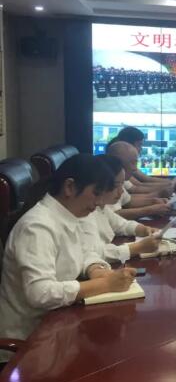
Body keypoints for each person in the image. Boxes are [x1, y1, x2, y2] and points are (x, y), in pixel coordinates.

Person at [0, 154, 137, 362]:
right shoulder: (37, 227)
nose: (100, 203)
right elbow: (40, 293)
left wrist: (96, 270)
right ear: (70, 187)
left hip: (59, 329)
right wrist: (104, 285)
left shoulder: (69, 215)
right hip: (29, 345)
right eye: (96, 193)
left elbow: (85, 252)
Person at [81, 155, 161, 263]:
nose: (121, 191)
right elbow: (95, 253)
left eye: (122, 185)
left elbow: (122, 225)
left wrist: (144, 229)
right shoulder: (84, 212)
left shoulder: (101, 208)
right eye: (115, 185)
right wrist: (137, 248)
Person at [106, 141, 174, 220]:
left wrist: (154, 201)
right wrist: (151, 210)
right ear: (117, 162)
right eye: (133, 163)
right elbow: (113, 217)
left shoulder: (118, 179)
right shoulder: (106, 183)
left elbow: (128, 201)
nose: (135, 168)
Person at [109, 126, 176, 192]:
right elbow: (139, 185)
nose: (141, 149)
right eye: (139, 145)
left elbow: (142, 182)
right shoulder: (120, 169)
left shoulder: (123, 167)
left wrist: (172, 183)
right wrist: (173, 184)